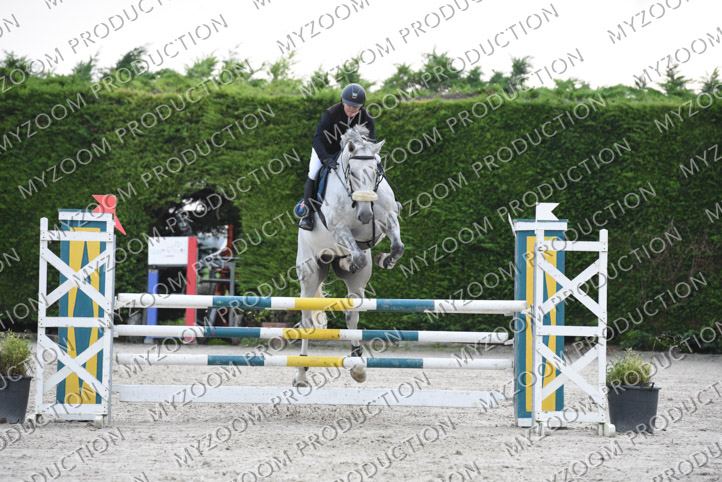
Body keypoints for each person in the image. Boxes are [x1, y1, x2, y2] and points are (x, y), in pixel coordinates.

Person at [298, 83, 376, 231]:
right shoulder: (331, 113)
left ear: (361, 106)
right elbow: (317, 139)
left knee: (377, 161)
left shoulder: (366, 116)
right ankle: (307, 215)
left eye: (356, 106)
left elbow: (372, 140)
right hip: (326, 149)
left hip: (352, 153)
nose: (352, 109)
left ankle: (391, 200)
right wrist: (325, 158)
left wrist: (368, 153)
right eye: (349, 105)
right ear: (342, 102)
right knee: (313, 172)